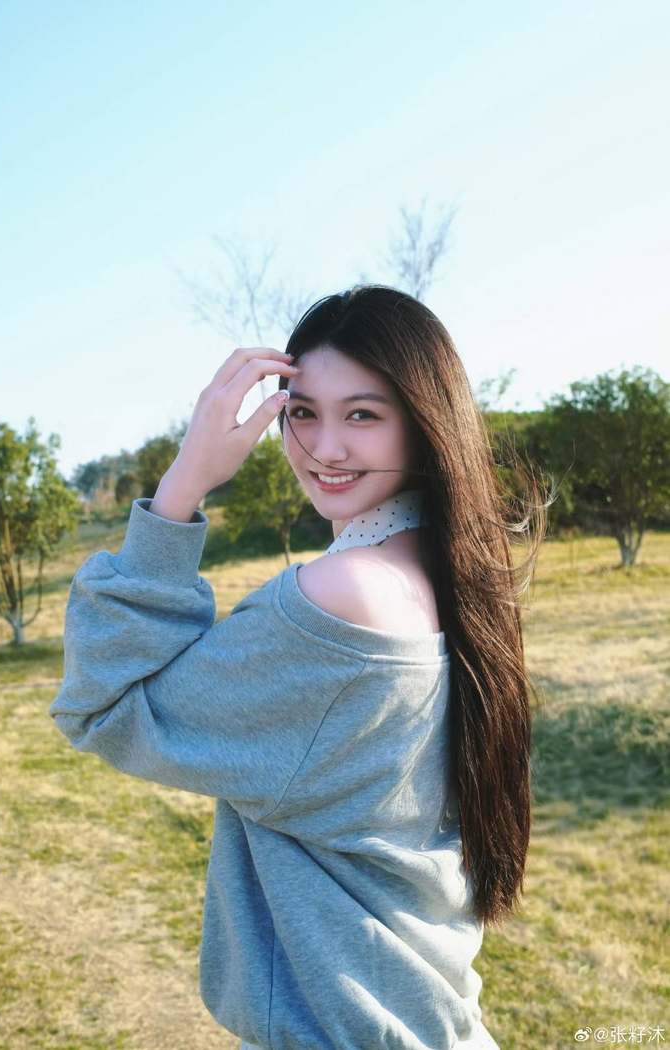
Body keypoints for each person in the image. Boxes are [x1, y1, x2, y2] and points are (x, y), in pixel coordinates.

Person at [49, 285, 553, 1049]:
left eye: (363, 415)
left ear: (425, 424)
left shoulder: (342, 595)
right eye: (303, 413)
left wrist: (184, 482)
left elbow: (105, 706)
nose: (324, 447)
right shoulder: (451, 574)